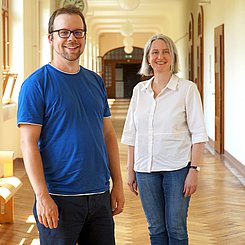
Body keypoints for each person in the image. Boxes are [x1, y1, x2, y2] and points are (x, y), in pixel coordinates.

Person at [17, 5, 125, 245]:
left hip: (99, 197)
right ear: (50, 38)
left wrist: (117, 183)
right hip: (59, 198)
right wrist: (42, 196)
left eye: (78, 32)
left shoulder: (95, 82)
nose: (71, 39)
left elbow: (108, 135)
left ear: (84, 37)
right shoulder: (36, 84)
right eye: (64, 32)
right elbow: (28, 145)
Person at [121, 34, 208, 245]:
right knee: (155, 228)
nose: (160, 56)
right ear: (148, 58)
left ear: (173, 56)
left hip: (177, 170)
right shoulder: (139, 91)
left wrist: (194, 170)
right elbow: (132, 134)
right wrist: (130, 169)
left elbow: (198, 133)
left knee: (176, 228)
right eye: (155, 52)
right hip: (145, 170)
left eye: (165, 51)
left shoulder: (187, 89)